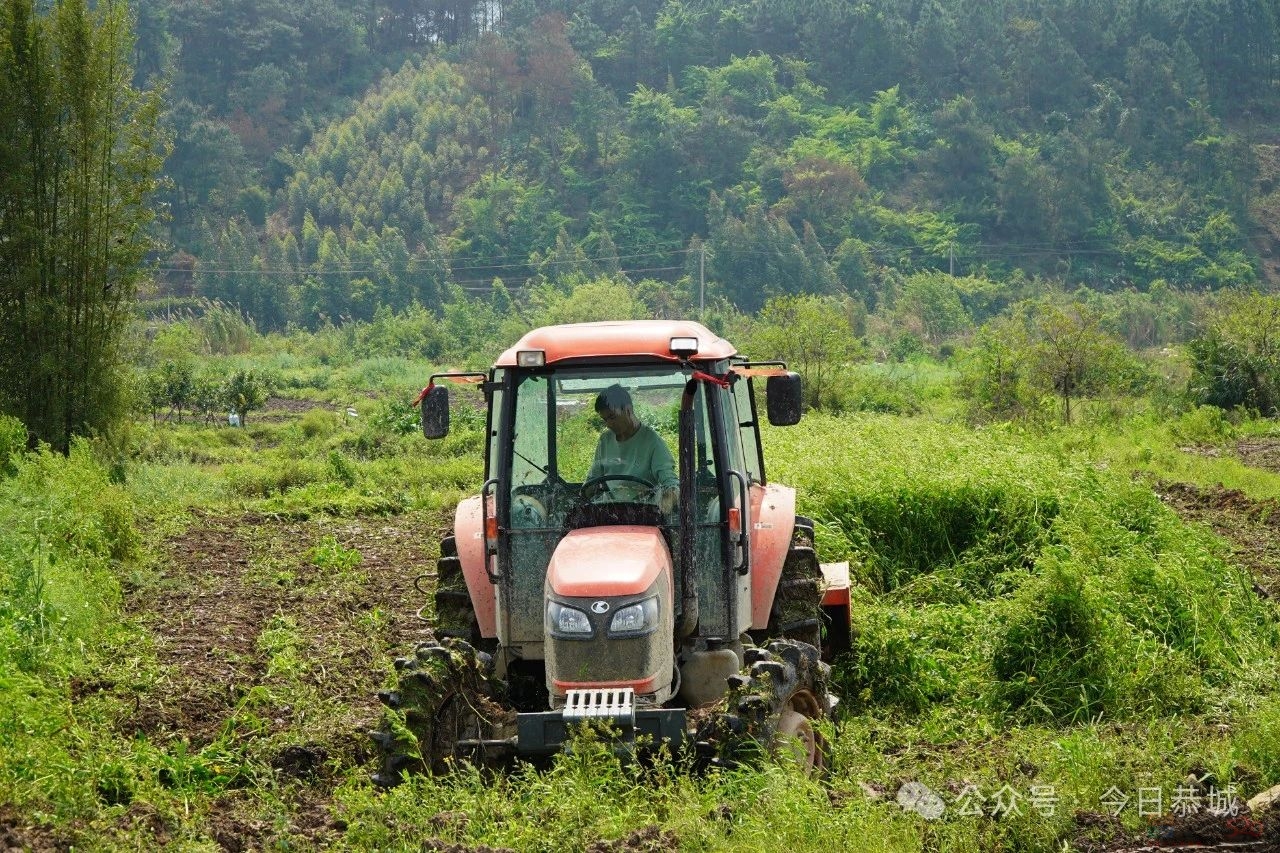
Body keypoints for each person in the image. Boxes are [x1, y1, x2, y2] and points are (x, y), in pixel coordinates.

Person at [585, 384, 678, 513]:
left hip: (642, 512)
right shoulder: (605, 440)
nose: (608, 424)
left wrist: (661, 510)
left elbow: (671, 484)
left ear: (628, 409)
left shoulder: (652, 442)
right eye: (604, 419)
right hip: (608, 511)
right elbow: (592, 481)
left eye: (612, 417)